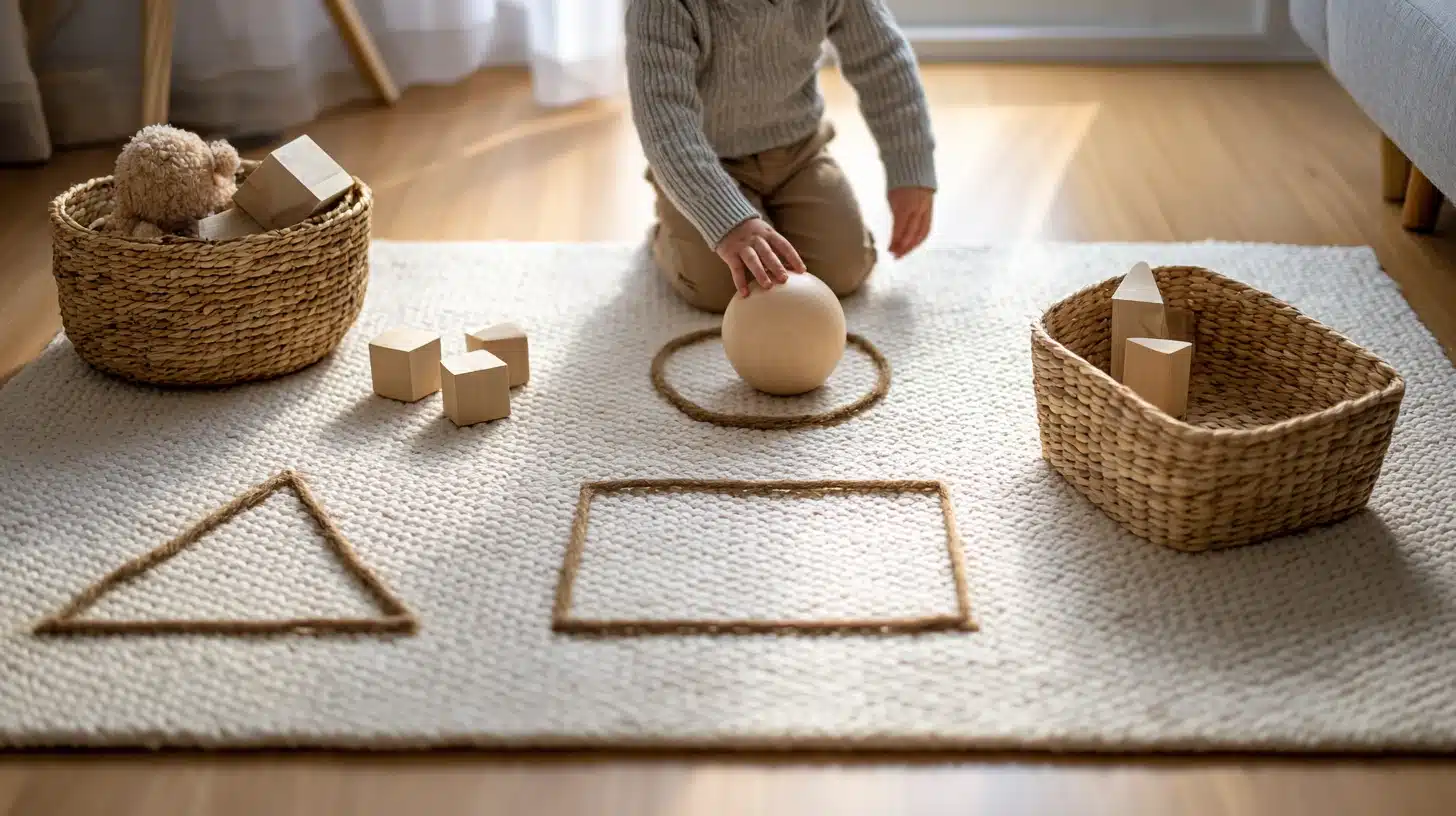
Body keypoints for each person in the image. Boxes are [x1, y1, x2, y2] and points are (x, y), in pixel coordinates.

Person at [625, 0, 936, 312]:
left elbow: (884, 62)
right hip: (703, 164)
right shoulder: (660, 7)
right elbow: (666, 126)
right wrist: (726, 222)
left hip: (800, 154)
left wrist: (909, 168)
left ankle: (768, 221)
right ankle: (668, 234)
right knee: (726, 287)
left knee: (844, 271)